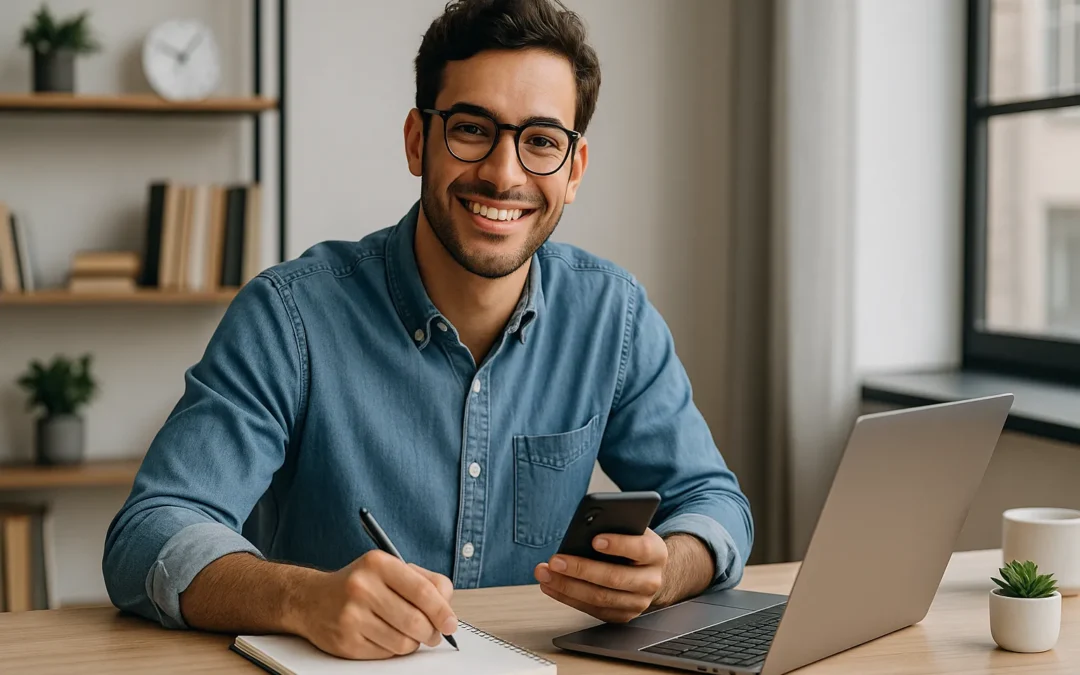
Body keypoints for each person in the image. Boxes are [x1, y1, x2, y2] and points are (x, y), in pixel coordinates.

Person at [103, 0, 753, 661]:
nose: (504, 172)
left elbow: (713, 501)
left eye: (541, 141)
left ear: (574, 168)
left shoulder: (613, 316)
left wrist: (664, 570)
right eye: (472, 129)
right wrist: (301, 597)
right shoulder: (289, 317)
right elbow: (151, 533)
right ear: (418, 140)